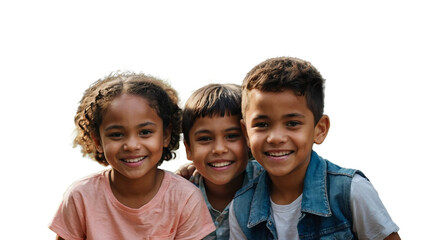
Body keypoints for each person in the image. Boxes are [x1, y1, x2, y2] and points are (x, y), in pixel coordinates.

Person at [229, 57, 400, 239]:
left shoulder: (351, 192)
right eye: (262, 124)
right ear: (246, 133)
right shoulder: (241, 208)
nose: (276, 138)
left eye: (292, 123)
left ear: (320, 130)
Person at [49, 72, 215, 239]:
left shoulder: (185, 198)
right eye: (116, 134)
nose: (131, 145)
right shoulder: (81, 197)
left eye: (145, 132)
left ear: (166, 135)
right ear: (98, 141)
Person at [179, 83, 264, 239]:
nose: (219, 149)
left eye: (231, 136)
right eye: (205, 139)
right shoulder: (177, 195)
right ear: (188, 149)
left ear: (248, 139)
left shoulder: (269, 183)